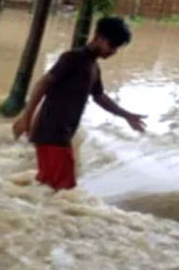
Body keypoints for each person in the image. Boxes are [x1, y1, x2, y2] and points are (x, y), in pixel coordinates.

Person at [12, 17, 146, 191]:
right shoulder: (72, 58)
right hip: (52, 132)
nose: (113, 52)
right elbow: (42, 84)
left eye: (117, 48)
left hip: (59, 133)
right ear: (98, 37)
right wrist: (26, 118)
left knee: (49, 187)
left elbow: (100, 97)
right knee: (64, 190)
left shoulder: (93, 67)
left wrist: (127, 115)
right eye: (112, 46)